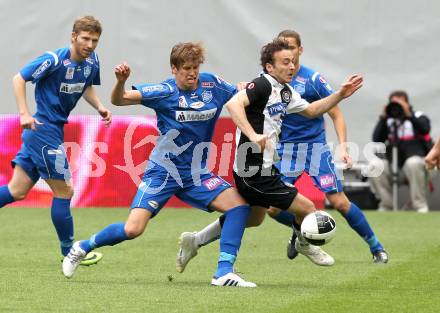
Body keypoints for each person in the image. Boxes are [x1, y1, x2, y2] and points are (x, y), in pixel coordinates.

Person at [62, 42, 256, 288]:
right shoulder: (164, 91)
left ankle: (223, 272)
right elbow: (120, 100)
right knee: (133, 229)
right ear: (174, 69)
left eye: (195, 67)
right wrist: (121, 81)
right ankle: (81, 247)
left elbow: (241, 95)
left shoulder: (212, 85)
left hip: (196, 173)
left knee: (239, 207)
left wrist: (249, 88)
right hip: (164, 172)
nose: (192, 73)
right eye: (186, 68)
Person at [175, 38, 363, 274]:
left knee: (254, 218)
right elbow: (234, 105)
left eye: (293, 62)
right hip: (252, 169)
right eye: (285, 62)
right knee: (307, 209)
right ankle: (303, 244)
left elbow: (312, 110)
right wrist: (252, 134)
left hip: (263, 167)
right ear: (269, 67)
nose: (292, 66)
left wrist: (340, 94)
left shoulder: (285, 92)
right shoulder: (262, 85)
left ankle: (196, 240)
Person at [266, 30, 388, 264]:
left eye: (292, 47)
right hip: (287, 151)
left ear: (300, 50)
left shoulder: (313, 80)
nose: (288, 53)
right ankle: (301, 232)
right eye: (283, 48)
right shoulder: (271, 79)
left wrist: (343, 146)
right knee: (272, 207)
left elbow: (336, 113)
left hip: (315, 150)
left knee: (340, 202)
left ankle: (376, 247)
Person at [0, 16, 110, 265]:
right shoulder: (53, 59)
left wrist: (100, 107)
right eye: (85, 38)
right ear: (73, 37)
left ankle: (67, 250)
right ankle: (68, 251)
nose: (90, 44)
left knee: (16, 191)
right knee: (65, 190)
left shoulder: (92, 61)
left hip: (48, 131)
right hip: (42, 130)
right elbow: (19, 78)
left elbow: (86, 86)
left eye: (94, 40)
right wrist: (24, 113)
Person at [369, 90, 433, 213]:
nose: (397, 106)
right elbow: (377, 139)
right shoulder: (389, 121)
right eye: (394, 103)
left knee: (413, 163)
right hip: (394, 166)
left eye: (401, 103)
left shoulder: (418, 115)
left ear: (407, 103)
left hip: (417, 167)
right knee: (374, 166)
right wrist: (383, 117)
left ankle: (420, 206)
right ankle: (386, 206)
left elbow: (425, 129)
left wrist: (409, 114)